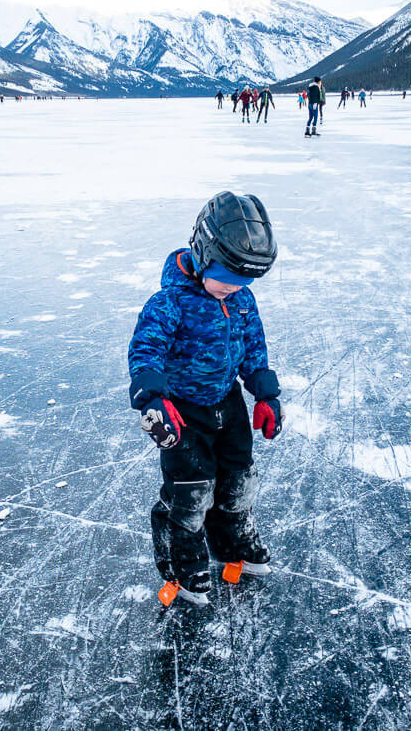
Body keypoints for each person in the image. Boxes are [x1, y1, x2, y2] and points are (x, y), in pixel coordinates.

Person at [128, 191, 282, 607]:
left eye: (244, 282)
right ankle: (184, 565)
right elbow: (146, 351)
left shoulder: (241, 299)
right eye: (227, 279)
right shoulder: (169, 303)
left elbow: (253, 347)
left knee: (237, 479)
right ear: (202, 254)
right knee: (190, 491)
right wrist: (152, 399)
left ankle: (233, 543)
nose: (234, 289)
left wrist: (264, 392)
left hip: (227, 403)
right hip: (183, 411)